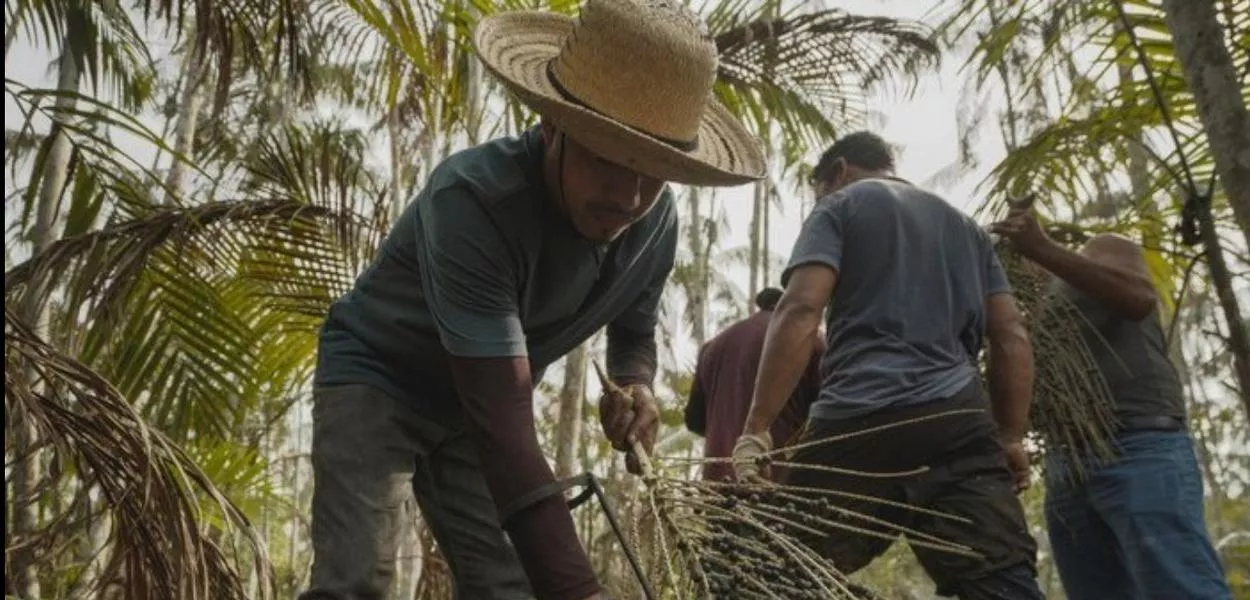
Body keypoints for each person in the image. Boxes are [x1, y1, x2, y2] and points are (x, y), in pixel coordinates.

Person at [300, 0, 765, 598]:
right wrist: (581, 592)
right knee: (358, 578)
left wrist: (636, 384)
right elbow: (504, 422)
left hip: (481, 412)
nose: (628, 196)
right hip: (381, 377)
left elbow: (632, 328)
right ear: (554, 128)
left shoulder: (655, 221)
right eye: (606, 159)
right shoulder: (474, 202)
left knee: (509, 585)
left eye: (653, 172)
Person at [732, 131, 1044, 599]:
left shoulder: (839, 206)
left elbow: (800, 310)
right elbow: (1011, 335)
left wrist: (756, 427)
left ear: (836, 172)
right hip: (959, 423)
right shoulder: (968, 229)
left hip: (862, 419)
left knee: (774, 573)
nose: (818, 199)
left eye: (817, 189)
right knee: (999, 578)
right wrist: (1011, 436)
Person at [991, 209, 1233, 599]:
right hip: (1066, 465)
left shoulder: (1102, 249)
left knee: (1178, 587)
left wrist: (1040, 249)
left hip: (1139, 442)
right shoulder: (1018, 315)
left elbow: (1138, 299)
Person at [683, 287, 824, 482]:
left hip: (718, 481)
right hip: (774, 480)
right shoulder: (810, 342)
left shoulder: (713, 347)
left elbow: (695, 421)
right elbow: (824, 413)